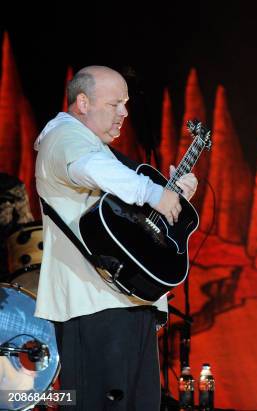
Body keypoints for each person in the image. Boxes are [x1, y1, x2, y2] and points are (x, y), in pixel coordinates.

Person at [34, 66, 198, 410]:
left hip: (123, 301)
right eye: (114, 104)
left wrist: (171, 197)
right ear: (82, 102)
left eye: (125, 104)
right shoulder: (65, 137)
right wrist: (153, 194)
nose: (124, 113)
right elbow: (91, 168)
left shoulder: (95, 147)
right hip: (94, 306)